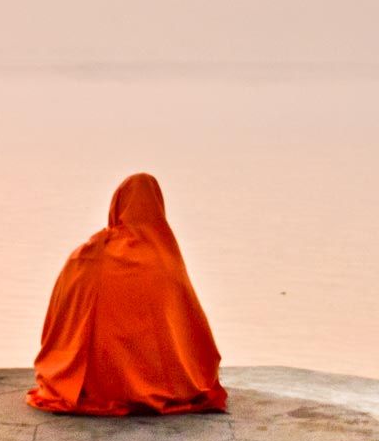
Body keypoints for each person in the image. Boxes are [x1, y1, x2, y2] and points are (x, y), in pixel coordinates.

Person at [26, 173, 228, 416]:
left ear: (118, 205)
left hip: (101, 382)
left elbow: (65, 301)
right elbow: (191, 329)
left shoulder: (94, 253)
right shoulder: (167, 258)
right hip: (163, 380)